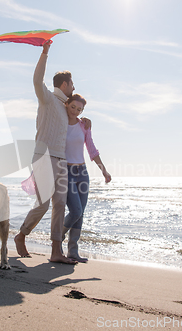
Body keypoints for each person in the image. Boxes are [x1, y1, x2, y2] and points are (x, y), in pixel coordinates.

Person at [14, 40, 90, 264]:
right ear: (64, 84)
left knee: (59, 204)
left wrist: (86, 120)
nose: (74, 88)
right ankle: (22, 234)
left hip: (62, 161)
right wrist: (45, 53)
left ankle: (56, 252)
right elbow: (37, 80)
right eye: (72, 84)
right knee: (44, 203)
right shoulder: (47, 99)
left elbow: (76, 123)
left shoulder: (68, 109)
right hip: (43, 156)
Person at [62, 94, 111, 263]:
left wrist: (104, 171)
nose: (75, 111)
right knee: (76, 210)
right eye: (73, 107)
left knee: (80, 213)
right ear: (66, 104)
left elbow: (92, 149)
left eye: (79, 109)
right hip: (65, 172)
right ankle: (57, 239)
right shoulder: (59, 122)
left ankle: (73, 252)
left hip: (82, 172)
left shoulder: (84, 126)